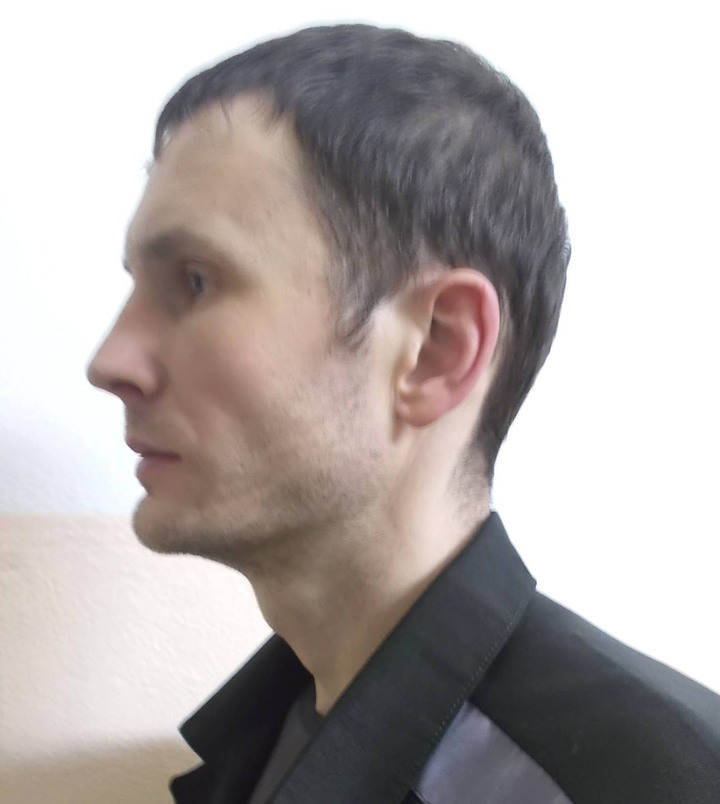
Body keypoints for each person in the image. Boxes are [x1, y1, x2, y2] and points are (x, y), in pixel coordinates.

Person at [85, 23, 720, 804]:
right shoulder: (260, 746)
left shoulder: (660, 783)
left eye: (194, 281)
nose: (109, 361)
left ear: (435, 350)